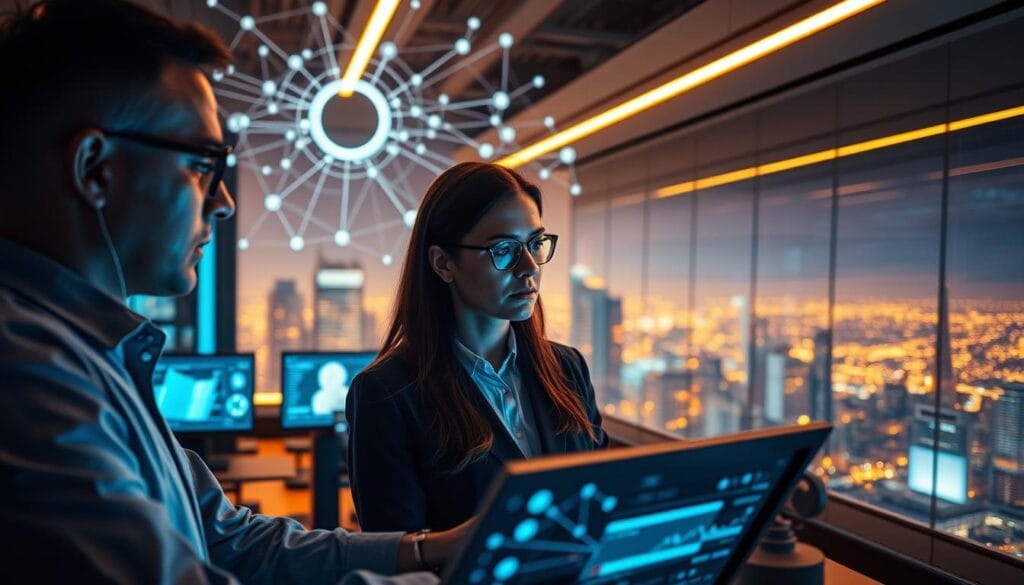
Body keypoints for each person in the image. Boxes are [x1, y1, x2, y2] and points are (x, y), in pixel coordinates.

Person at [0, 1, 465, 583]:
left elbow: (231, 539)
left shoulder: (98, 360)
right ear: (94, 169)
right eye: (202, 165)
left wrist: (434, 549)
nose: (222, 203)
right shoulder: (27, 375)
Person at [346, 162, 609, 534]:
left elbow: (602, 502)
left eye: (535, 243)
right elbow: (397, 555)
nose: (529, 266)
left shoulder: (568, 368)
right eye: (503, 248)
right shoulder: (387, 394)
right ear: (443, 263)